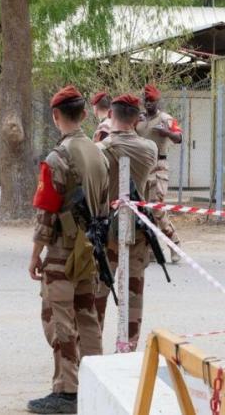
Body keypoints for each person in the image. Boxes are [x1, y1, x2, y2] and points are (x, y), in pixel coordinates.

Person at [27, 85, 109, 414]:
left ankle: (67, 391)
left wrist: (36, 254)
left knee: (59, 317)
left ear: (56, 116)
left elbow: (46, 213)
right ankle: (95, 384)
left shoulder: (57, 157)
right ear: (85, 115)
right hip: (91, 246)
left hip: (64, 248)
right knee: (87, 315)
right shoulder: (98, 153)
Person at [94, 94, 158, 351]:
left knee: (98, 289)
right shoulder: (149, 149)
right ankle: (128, 346)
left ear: (110, 114)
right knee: (133, 290)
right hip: (138, 226)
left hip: (106, 225)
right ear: (136, 118)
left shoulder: (100, 149)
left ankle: (91, 345)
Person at [135, 83, 183, 263]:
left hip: (159, 167)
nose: (148, 104)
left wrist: (167, 132)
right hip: (141, 168)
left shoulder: (165, 119)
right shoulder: (138, 120)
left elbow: (179, 138)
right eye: (146, 101)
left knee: (156, 207)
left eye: (152, 101)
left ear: (158, 101)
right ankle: (152, 250)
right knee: (143, 210)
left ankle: (174, 243)